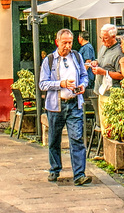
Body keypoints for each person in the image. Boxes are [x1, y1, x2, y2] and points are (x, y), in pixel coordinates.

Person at [39, 28, 92, 186]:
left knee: (76, 139)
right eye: (64, 43)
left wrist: (83, 85)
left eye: (70, 42)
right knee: (54, 139)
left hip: (74, 103)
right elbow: (43, 84)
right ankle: (55, 169)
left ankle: (79, 174)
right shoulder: (49, 60)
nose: (67, 46)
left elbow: (84, 75)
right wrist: (60, 84)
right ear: (57, 42)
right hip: (56, 106)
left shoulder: (77, 56)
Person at [91, 23, 121, 135]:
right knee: (103, 124)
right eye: (101, 38)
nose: (103, 41)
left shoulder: (119, 52)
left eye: (105, 38)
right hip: (100, 90)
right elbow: (101, 61)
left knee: (110, 125)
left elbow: (121, 75)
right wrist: (96, 62)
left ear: (113, 37)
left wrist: (104, 72)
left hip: (112, 93)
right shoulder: (103, 47)